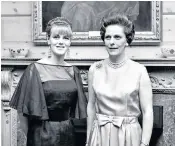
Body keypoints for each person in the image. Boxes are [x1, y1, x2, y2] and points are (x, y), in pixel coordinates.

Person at [10, 17, 87, 146]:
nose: (61, 42)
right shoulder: (34, 69)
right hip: (41, 135)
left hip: (68, 134)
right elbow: (22, 114)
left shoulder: (74, 71)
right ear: (48, 40)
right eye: (56, 37)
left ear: (70, 42)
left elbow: (79, 110)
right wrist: (33, 137)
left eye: (66, 38)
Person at [87, 14, 153, 146]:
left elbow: (147, 111)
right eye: (108, 37)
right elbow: (91, 107)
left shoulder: (139, 71)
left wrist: (144, 144)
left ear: (127, 40)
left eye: (117, 37)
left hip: (128, 134)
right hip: (100, 134)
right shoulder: (95, 69)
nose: (112, 42)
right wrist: (89, 140)